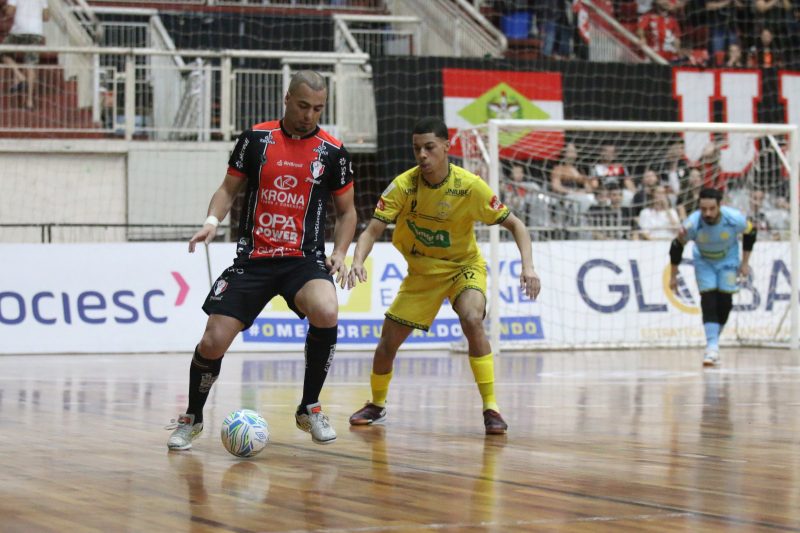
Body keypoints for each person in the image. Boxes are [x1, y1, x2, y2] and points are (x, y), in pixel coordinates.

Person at [165, 70, 357, 450]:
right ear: (287, 99)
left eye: (318, 108)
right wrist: (210, 222)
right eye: (303, 106)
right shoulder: (256, 139)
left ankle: (310, 407)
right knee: (213, 340)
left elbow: (348, 213)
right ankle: (192, 417)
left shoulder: (332, 152)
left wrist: (338, 252)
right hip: (254, 258)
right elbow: (227, 189)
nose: (309, 115)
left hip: (303, 260)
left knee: (327, 308)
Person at [346, 117, 541, 435]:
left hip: (463, 268)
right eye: (416, 148)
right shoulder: (403, 186)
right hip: (422, 273)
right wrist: (357, 260)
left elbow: (516, 224)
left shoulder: (469, 186)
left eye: (429, 148)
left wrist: (528, 267)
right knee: (386, 344)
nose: (422, 155)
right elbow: (372, 231)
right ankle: (377, 405)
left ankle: (491, 407)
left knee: (471, 317)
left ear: (447, 148)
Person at [668, 188, 756, 366]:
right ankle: (712, 348)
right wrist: (673, 276)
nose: (707, 213)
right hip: (703, 262)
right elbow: (677, 246)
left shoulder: (734, 219)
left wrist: (745, 262)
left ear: (719, 206)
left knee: (725, 303)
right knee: (708, 301)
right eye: (703, 209)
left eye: (711, 209)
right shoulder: (692, 224)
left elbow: (751, 232)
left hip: (728, 261)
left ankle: (713, 341)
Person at [1, 0, 49, 110]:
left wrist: (5, 9)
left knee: (2, 52)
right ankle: (29, 102)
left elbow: (10, 11)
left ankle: (19, 76)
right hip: (36, 32)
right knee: (30, 64)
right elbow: (46, 17)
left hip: (19, 31)